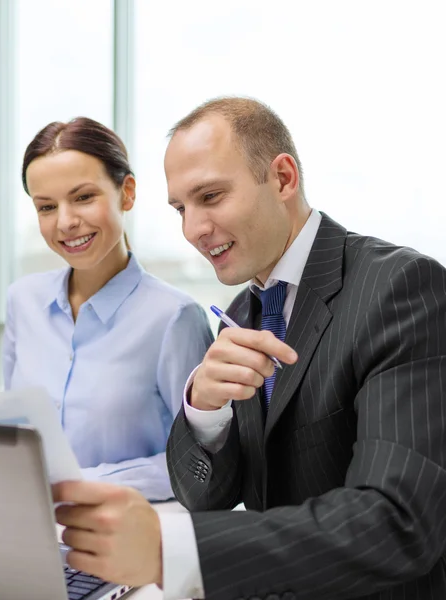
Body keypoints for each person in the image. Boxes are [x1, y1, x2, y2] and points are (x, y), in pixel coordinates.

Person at [52, 98, 446, 599]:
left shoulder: (401, 288)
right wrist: (203, 413)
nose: (192, 229)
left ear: (282, 178)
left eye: (210, 196)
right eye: (180, 209)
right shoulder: (241, 314)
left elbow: (397, 523)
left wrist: (169, 549)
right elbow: (206, 496)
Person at [3, 117, 214, 502]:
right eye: (46, 207)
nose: (65, 222)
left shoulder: (174, 318)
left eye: (83, 197)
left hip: (126, 543)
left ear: (126, 193)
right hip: (29, 533)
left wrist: (77, 486)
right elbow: (14, 436)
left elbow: (202, 463)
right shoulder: (23, 302)